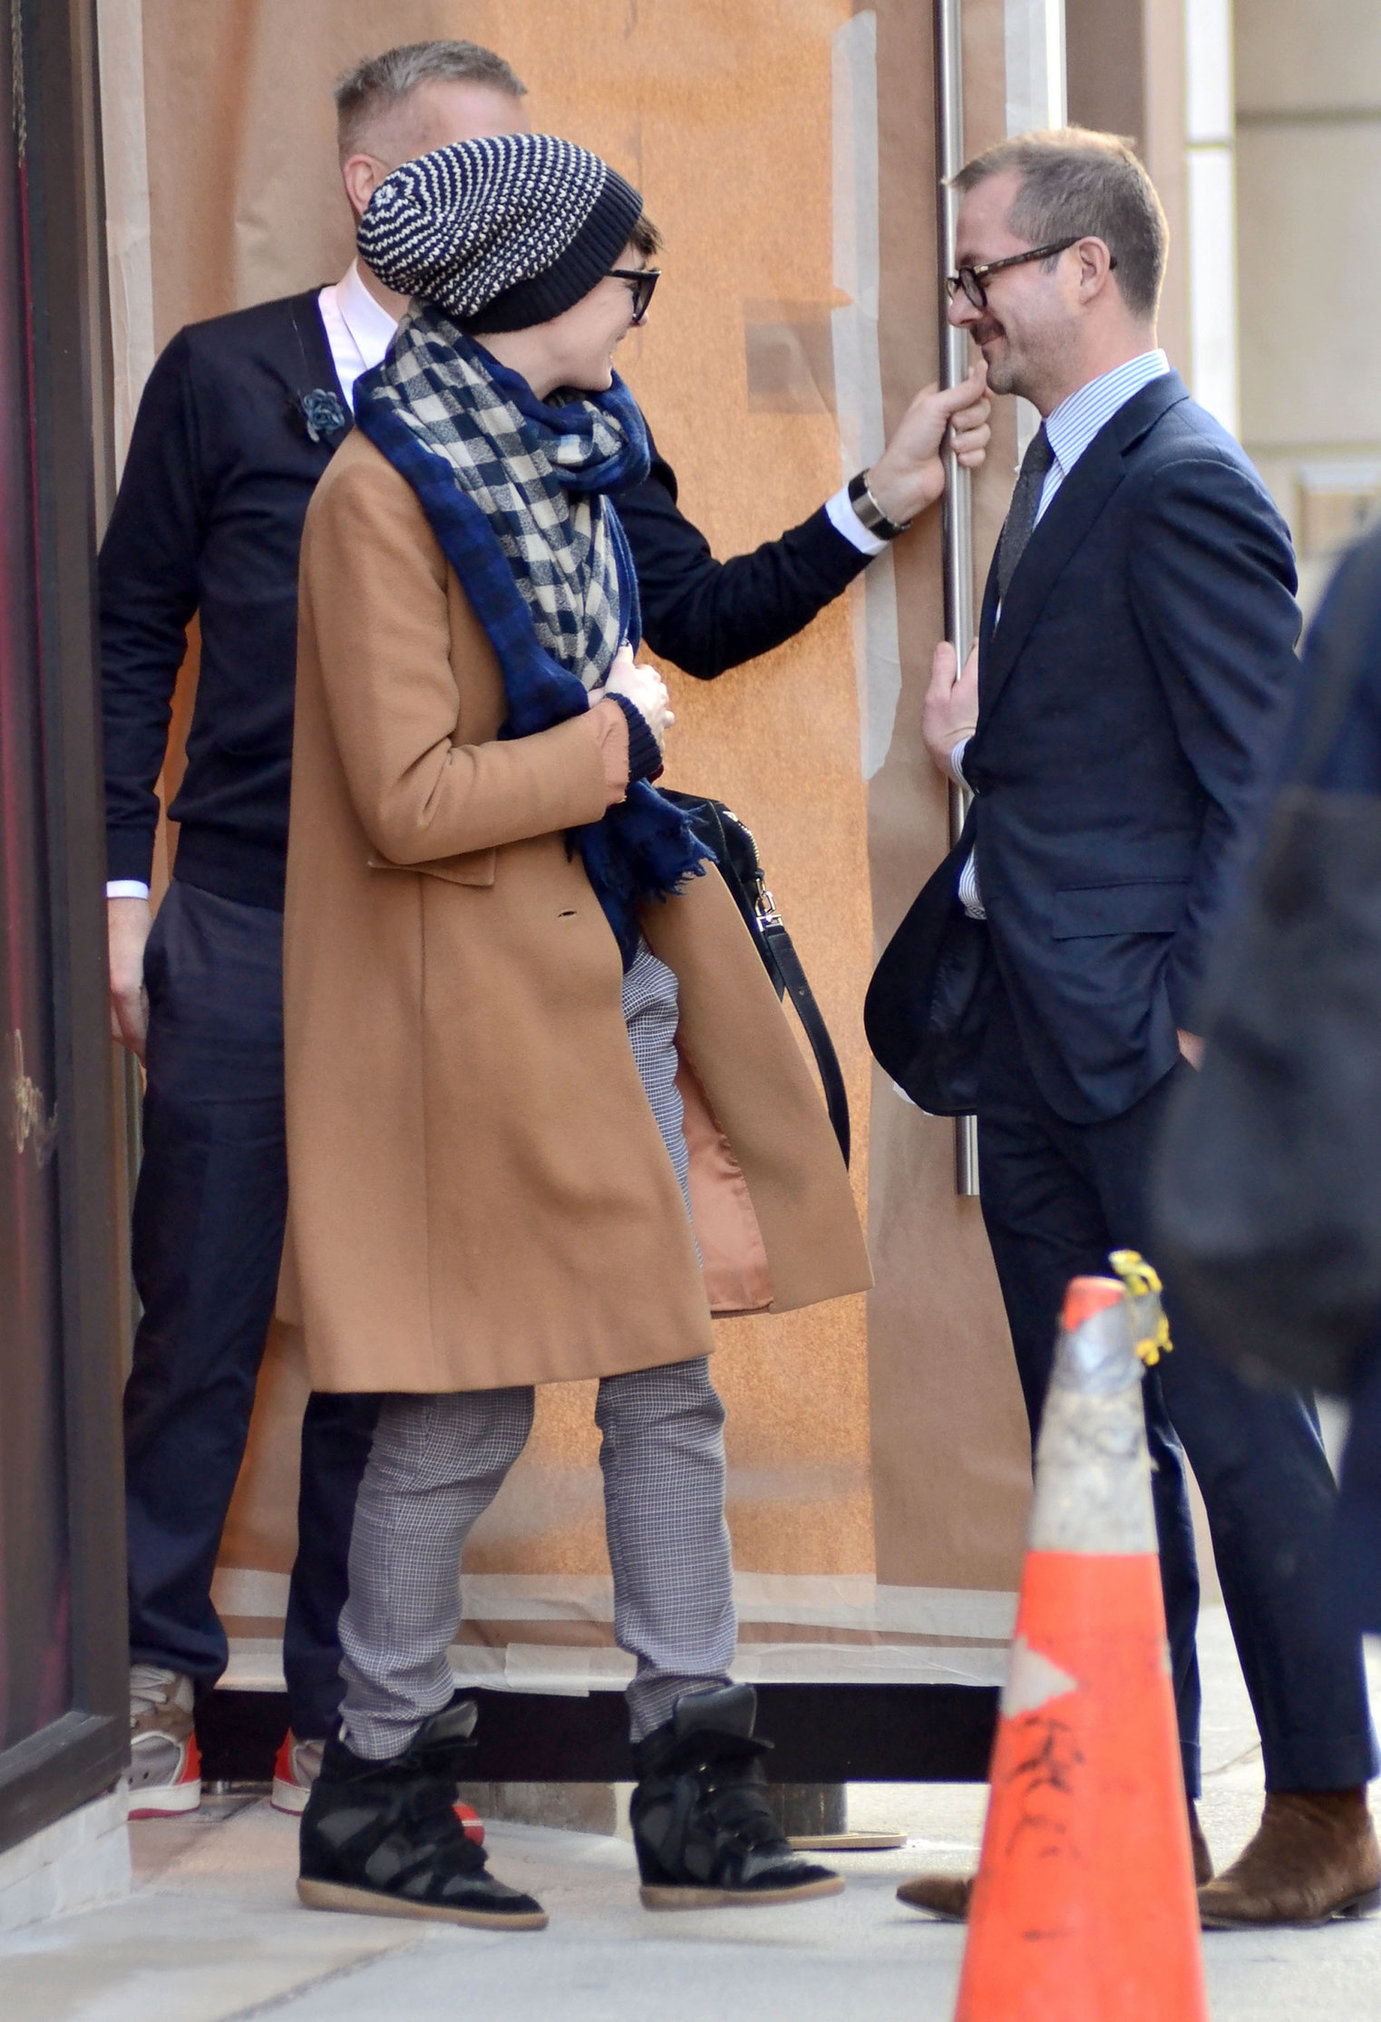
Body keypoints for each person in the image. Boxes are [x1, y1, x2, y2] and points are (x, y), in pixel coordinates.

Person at [101, 39, 989, 1819]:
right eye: (506, 177)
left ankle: (361, 1723)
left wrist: (874, 502)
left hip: (482, 933)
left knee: (416, 1337)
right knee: (205, 1303)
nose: (558, 220)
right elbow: (131, 638)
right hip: (264, 907)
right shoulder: (236, 384)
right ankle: (155, 1683)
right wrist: (125, 893)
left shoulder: (579, 434)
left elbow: (696, 613)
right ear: (394, 195)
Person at [286, 130, 872, 1929]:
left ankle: (694, 1783)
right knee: (459, 1401)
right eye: (633, 275)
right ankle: (375, 1791)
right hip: (468, 1005)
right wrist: (615, 737)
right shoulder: (381, 491)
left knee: (664, 1381)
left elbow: (656, 637)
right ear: (542, 286)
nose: (643, 302)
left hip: (597, 959)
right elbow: (400, 792)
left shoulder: (573, 459)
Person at [865, 127, 1381, 1928]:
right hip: (1036, 1048)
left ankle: (1324, 1809)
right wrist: (975, 758)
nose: (968, 307)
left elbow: (1265, 784)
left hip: (1143, 1062)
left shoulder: (1179, 477)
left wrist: (1189, 1028)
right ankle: (1116, 1818)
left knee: (1236, 1435)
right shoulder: (1060, 471)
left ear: (1084, 268)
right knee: (1092, 1452)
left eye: (983, 270)